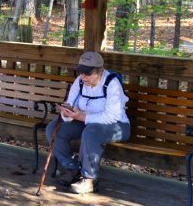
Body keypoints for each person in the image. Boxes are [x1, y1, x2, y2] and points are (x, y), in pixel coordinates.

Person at [46, 50, 130, 194]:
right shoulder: (79, 81)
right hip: (85, 122)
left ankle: (89, 179)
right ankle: (72, 169)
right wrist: (66, 113)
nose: (83, 77)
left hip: (117, 126)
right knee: (54, 128)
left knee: (91, 132)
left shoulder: (111, 83)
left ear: (99, 72)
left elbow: (112, 116)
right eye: (81, 72)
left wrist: (83, 118)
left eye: (88, 74)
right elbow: (70, 104)